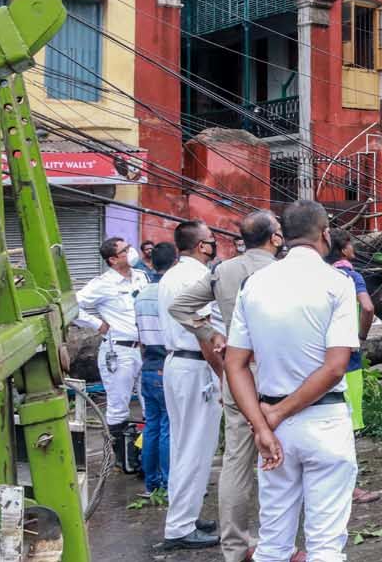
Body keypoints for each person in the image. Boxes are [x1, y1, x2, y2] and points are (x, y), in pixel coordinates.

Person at [225, 200, 360, 562]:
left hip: (273, 427)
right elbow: (335, 368)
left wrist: (263, 424)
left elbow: (234, 364)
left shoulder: (254, 285)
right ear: (325, 234)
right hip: (322, 422)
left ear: (284, 237)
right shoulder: (338, 283)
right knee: (326, 547)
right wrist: (277, 415)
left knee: (272, 545)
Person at [169, 210, 283, 562]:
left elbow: (180, 306)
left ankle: (234, 547)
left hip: (237, 373)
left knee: (237, 460)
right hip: (281, 373)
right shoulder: (283, 272)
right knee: (287, 455)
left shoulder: (223, 271)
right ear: (275, 238)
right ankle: (277, 543)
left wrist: (209, 332)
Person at [159, 220, 222, 551]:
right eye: (211, 240)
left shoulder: (172, 275)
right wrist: (224, 374)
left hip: (177, 363)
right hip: (195, 365)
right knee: (196, 447)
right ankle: (181, 526)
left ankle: (185, 514)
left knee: (184, 444)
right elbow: (204, 332)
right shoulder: (197, 277)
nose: (214, 245)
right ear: (201, 246)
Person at [75, 237, 148, 473]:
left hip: (144, 349)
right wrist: (96, 324)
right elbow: (72, 305)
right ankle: (120, 460)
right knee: (118, 407)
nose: (131, 251)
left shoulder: (140, 276)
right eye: (125, 250)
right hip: (119, 352)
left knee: (149, 404)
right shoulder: (103, 283)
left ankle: (142, 455)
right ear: (113, 259)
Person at [325, 228, 382, 505]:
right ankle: (350, 487)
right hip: (348, 358)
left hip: (320, 358)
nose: (354, 249)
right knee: (348, 424)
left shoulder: (321, 277)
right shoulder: (352, 276)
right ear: (343, 248)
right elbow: (368, 308)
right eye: (350, 244)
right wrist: (360, 336)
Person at [134, 242, 178, 497]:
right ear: (174, 262)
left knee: (151, 424)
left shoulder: (141, 294)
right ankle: (170, 483)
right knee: (167, 426)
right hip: (164, 363)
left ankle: (152, 483)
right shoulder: (168, 292)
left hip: (148, 364)